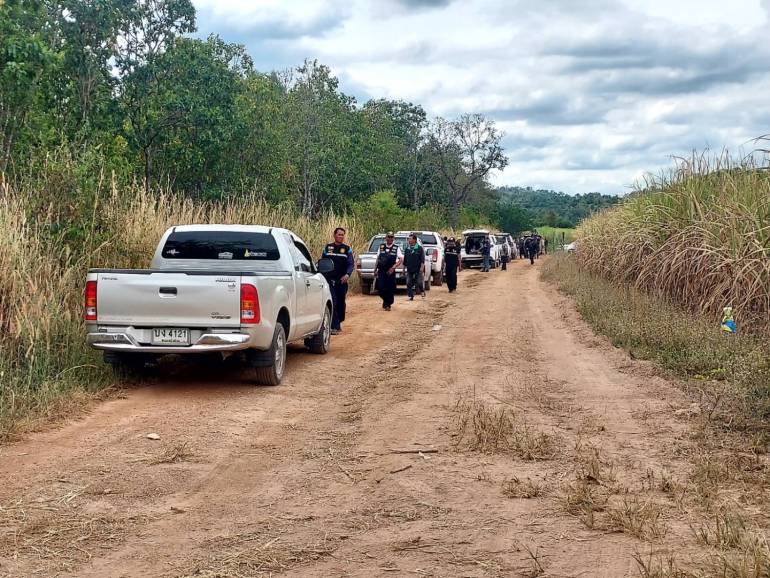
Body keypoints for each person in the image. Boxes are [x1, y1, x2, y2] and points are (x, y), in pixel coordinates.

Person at [321, 227, 354, 335]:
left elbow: (350, 264)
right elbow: (323, 262)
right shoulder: (327, 248)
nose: (341, 236)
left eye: (342, 235)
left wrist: (347, 275)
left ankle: (338, 321)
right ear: (334, 235)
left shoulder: (347, 249)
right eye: (339, 234)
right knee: (333, 301)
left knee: (340, 303)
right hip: (329, 281)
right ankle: (334, 326)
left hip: (342, 281)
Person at [373, 232, 402, 311]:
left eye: (391, 237)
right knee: (380, 287)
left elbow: (401, 259)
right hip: (381, 270)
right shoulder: (381, 247)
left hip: (390, 271)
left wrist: (393, 267)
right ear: (386, 238)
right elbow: (378, 259)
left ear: (393, 238)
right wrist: (375, 270)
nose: (390, 238)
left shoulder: (396, 248)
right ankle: (386, 301)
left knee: (390, 288)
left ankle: (388, 304)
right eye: (388, 237)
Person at [403, 233, 425, 300]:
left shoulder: (419, 248)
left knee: (419, 282)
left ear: (414, 240)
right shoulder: (407, 249)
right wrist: (404, 269)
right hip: (409, 269)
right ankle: (411, 296)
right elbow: (405, 260)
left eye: (410, 239)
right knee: (408, 282)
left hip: (418, 269)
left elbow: (422, 260)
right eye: (408, 239)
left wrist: (421, 268)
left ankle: (422, 291)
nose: (409, 240)